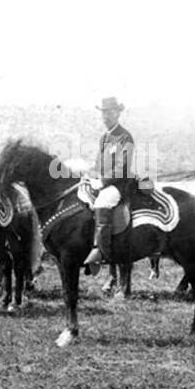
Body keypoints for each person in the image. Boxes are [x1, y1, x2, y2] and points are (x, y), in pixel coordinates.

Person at [83, 96, 135, 272]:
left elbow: (122, 168)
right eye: (104, 113)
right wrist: (89, 175)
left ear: (118, 113)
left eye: (110, 112)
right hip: (103, 182)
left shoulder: (125, 137)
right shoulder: (104, 137)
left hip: (118, 185)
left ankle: (101, 252)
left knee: (102, 203)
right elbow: (98, 164)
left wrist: (103, 182)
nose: (106, 117)